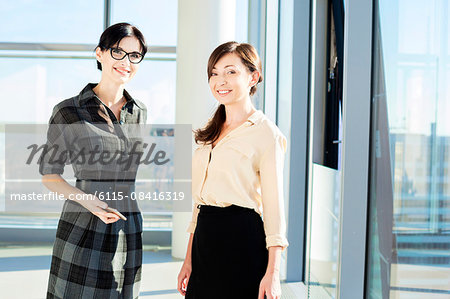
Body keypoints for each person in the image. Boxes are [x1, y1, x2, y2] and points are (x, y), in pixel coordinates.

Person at [40, 22, 147, 299]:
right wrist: (86, 200)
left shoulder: (139, 111)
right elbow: (50, 175)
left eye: (135, 55)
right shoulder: (68, 111)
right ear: (100, 54)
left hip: (128, 225)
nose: (126, 62)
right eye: (118, 52)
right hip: (84, 224)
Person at [177, 41, 289, 299]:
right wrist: (188, 259)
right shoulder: (209, 130)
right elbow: (199, 203)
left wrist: (273, 272)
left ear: (253, 77)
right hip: (205, 239)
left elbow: (274, 207)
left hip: (242, 240)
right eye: (214, 73)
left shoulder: (266, 134)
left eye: (231, 71)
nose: (220, 81)